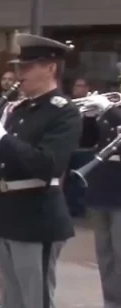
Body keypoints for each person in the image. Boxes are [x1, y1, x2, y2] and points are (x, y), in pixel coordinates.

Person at [0, 34, 78, 308]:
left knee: (35, 298)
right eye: (19, 67)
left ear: (50, 67)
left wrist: (1, 136)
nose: (18, 74)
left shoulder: (64, 112)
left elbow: (48, 165)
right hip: (7, 213)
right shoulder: (20, 109)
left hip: (38, 217)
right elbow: (0, 165)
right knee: (12, 299)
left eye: (26, 67)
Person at [75, 92, 121, 308]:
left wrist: (108, 111)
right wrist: (90, 119)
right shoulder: (112, 108)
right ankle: (110, 302)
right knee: (105, 253)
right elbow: (87, 141)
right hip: (102, 185)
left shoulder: (112, 111)